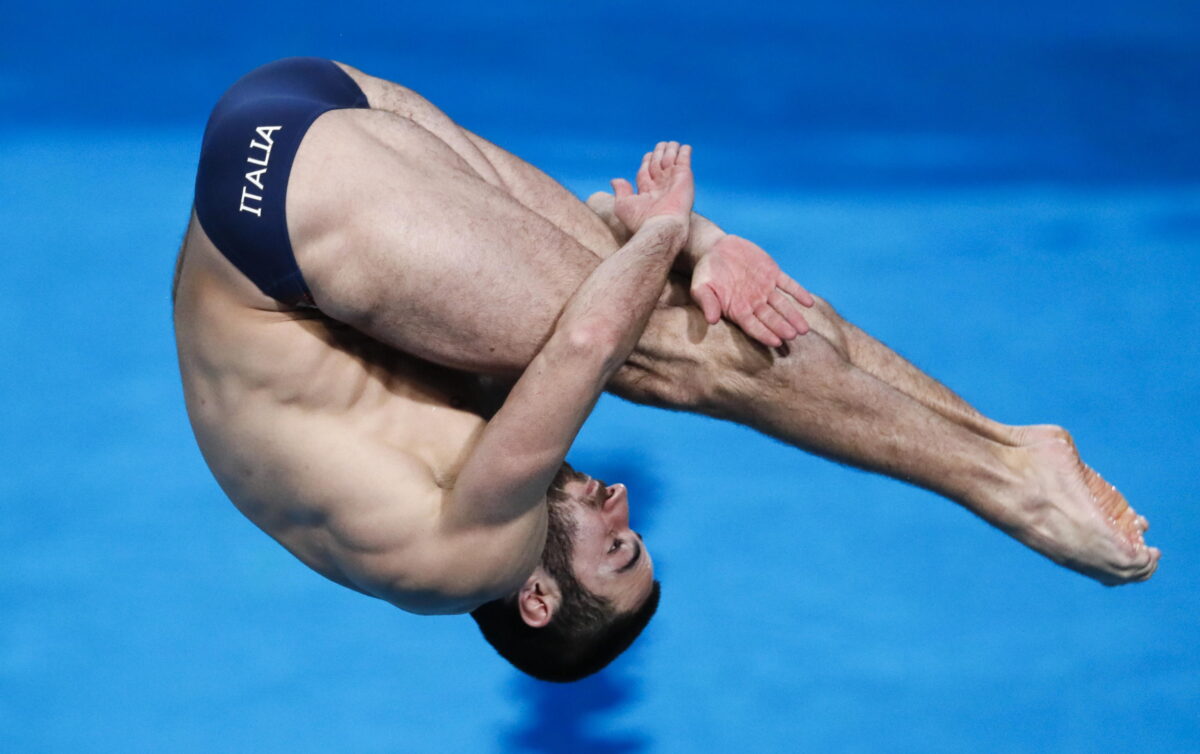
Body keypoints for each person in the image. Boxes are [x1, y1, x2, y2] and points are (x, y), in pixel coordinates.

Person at [172, 58, 1158, 682]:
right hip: (296, 111)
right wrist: (695, 244)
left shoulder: (461, 562)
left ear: (539, 600)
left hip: (285, 208)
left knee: (659, 358)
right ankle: (1004, 448)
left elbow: (594, 339)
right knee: (681, 313)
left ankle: (1011, 478)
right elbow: (572, 262)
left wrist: (686, 230)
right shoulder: (436, 469)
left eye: (619, 549)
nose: (621, 502)